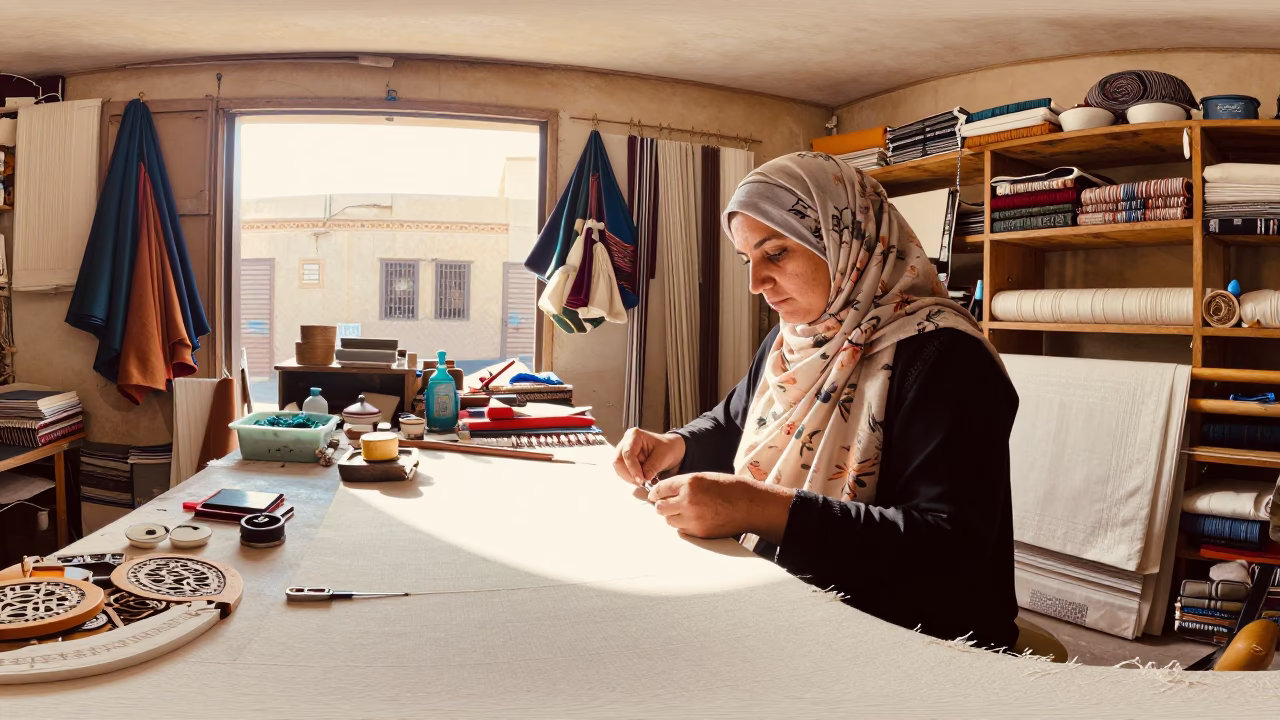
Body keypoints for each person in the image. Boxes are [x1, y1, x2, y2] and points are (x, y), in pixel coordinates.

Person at [613, 152, 1019, 650]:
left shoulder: (947, 358)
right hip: (799, 603)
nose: (755, 284)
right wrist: (675, 444)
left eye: (776, 253)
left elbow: (946, 550)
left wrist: (758, 508)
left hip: (918, 640)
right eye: (747, 260)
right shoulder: (795, 339)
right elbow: (737, 421)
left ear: (847, 242)